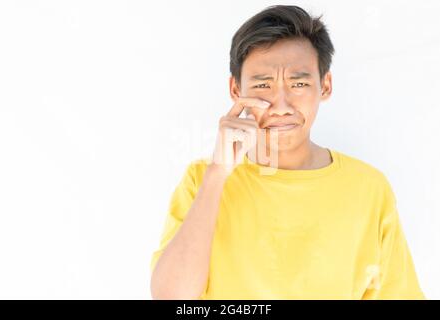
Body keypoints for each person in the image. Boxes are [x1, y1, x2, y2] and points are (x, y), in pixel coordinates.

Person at [150, 5, 425, 300]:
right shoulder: (201, 180)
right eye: (263, 84)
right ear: (235, 89)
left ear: (325, 86)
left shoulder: (370, 188)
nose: (281, 106)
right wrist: (217, 173)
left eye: (299, 83)